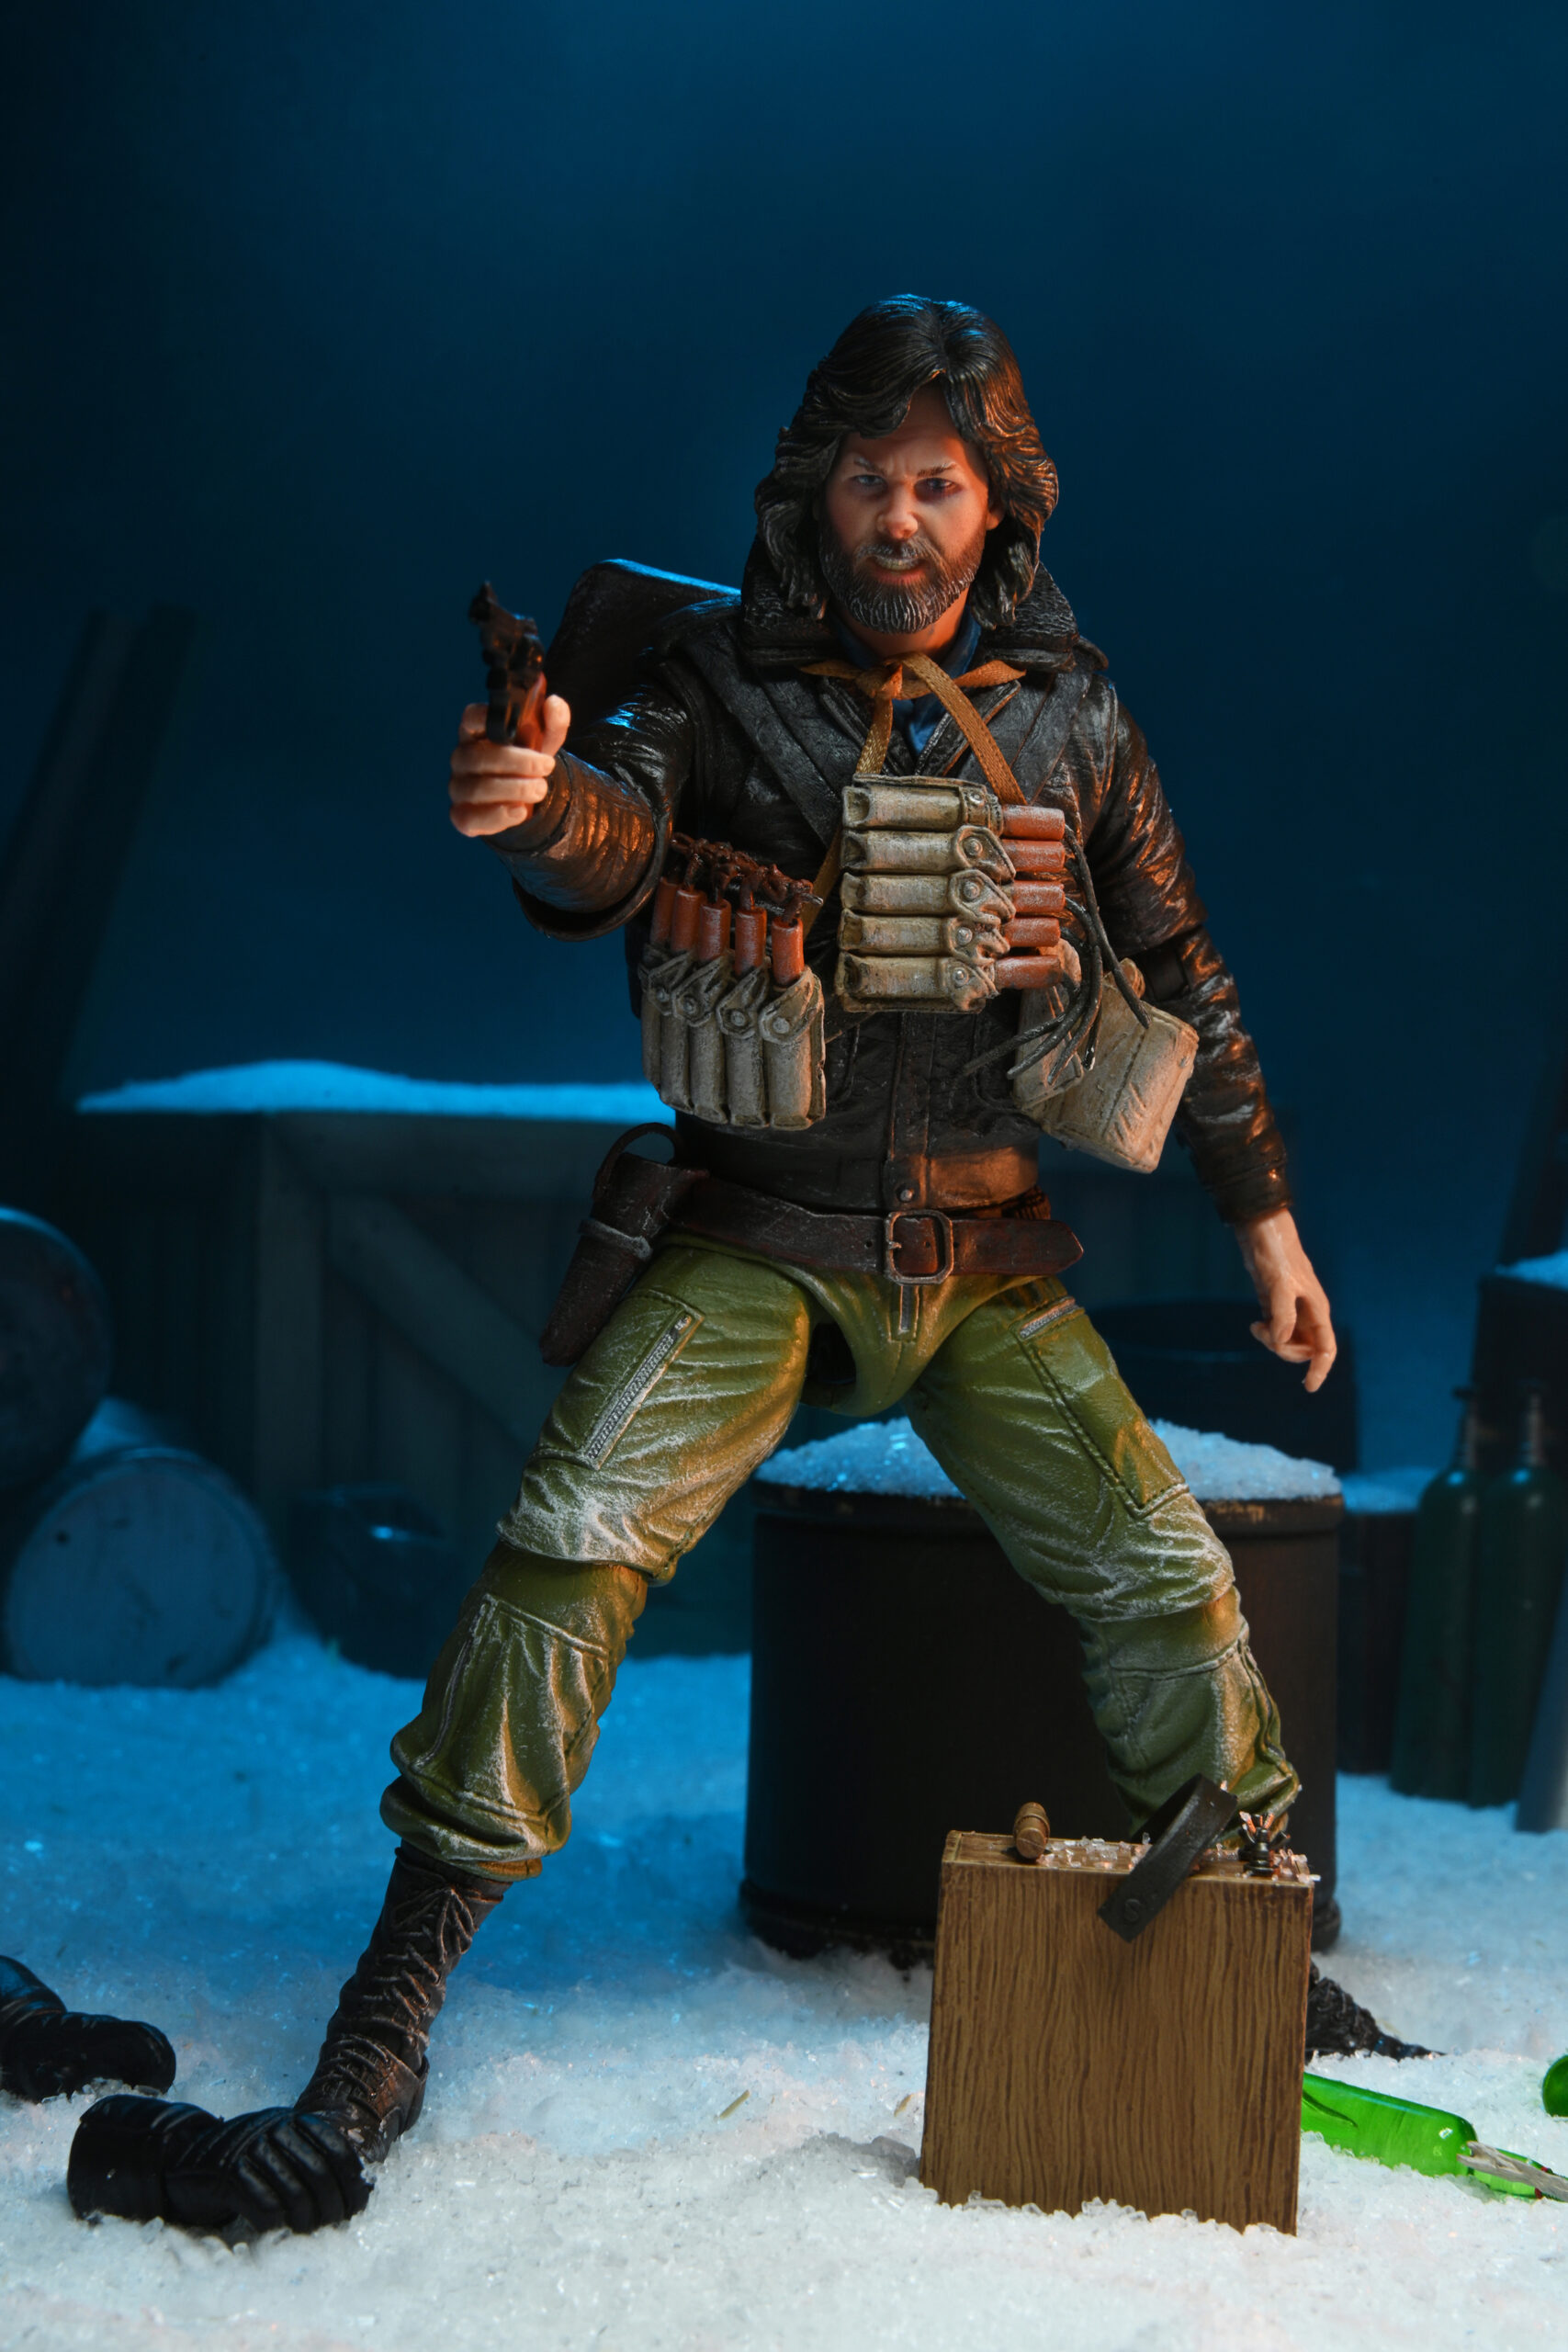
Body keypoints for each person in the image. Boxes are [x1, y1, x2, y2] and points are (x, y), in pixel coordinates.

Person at [69, 296, 1411, 2244]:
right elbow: (610, 835)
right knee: (570, 1543)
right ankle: (395, 1998)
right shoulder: (713, 680)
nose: (900, 518)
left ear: (997, 503)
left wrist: (1263, 1218)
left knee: (1167, 1577)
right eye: (868, 477)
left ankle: (1254, 1941)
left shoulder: (1073, 711)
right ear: (813, 490)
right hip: (757, 1236)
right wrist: (536, 803)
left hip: (981, 1256)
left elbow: (1183, 968)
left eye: (937, 481)